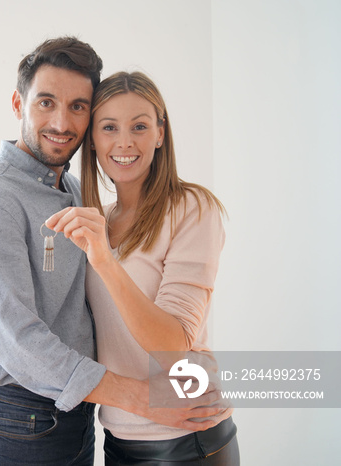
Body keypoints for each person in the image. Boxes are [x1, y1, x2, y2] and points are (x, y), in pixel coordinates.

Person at [0, 37, 223, 466]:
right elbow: (19, 340)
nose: (62, 121)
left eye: (78, 106)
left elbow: (86, 303)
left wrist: (4, 315)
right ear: (18, 104)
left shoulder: (80, 201)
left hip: (96, 416)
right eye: (46, 102)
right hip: (22, 414)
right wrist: (0, 322)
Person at [45, 71, 239, 464]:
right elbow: (75, 315)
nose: (125, 142)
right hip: (119, 437)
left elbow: (172, 346)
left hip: (188, 438)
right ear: (93, 139)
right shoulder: (99, 220)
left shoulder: (192, 209)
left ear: (160, 134)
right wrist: (1, 308)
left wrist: (104, 260)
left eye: (139, 126)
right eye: (109, 127)